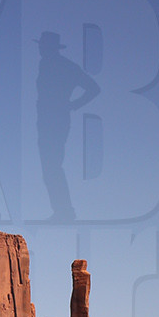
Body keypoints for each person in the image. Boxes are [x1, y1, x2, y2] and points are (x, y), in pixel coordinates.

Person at [35, 31, 100, 223]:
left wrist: (73, 104)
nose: (40, 49)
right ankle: (62, 211)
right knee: (49, 167)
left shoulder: (66, 66)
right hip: (46, 119)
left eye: (43, 45)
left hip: (56, 120)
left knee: (52, 166)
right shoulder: (45, 64)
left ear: (50, 47)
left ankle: (64, 212)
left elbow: (94, 88)